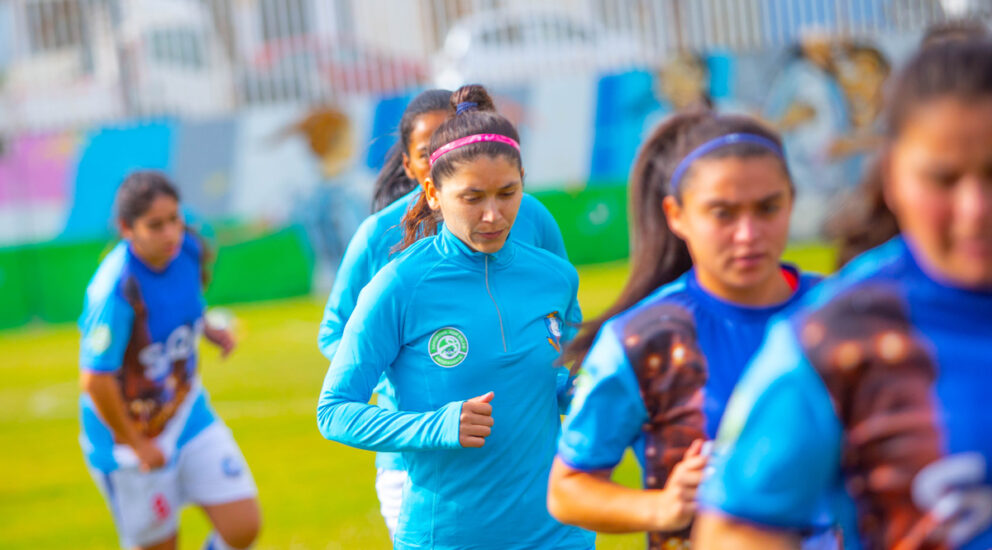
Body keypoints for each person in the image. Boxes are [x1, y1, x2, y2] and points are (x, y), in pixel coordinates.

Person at [693, 39, 992, 550]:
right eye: (943, 179)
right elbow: (736, 532)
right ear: (893, 176)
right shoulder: (837, 338)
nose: (976, 209)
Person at [316, 85, 594, 550]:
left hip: (559, 528)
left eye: (508, 193)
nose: (493, 215)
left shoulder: (555, 277)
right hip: (448, 535)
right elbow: (334, 412)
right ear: (432, 192)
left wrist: (592, 390)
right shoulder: (398, 285)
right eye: (472, 198)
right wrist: (436, 425)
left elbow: (561, 379)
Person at [548, 110, 820, 549]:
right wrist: (662, 507)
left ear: (791, 199)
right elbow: (567, 488)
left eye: (768, 207)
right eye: (723, 213)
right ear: (677, 215)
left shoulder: (843, 314)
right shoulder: (644, 339)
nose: (748, 234)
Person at [78, 171, 260, 550]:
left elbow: (187, 305)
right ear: (127, 228)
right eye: (155, 225)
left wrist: (207, 330)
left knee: (243, 525)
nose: (170, 233)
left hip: (186, 411)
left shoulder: (188, 250)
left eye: (175, 219)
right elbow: (95, 380)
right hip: (128, 437)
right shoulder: (115, 289)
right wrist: (137, 444)